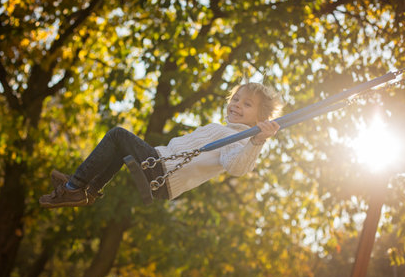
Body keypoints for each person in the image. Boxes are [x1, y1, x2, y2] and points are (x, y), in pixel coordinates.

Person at [39, 82, 282, 208]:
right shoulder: (225, 130)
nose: (237, 105)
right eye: (236, 99)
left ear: (260, 119)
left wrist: (257, 140)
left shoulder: (238, 138)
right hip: (160, 163)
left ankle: (73, 187)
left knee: (117, 136)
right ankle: (88, 192)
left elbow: (236, 167)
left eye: (247, 104)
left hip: (163, 172)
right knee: (120, 148)